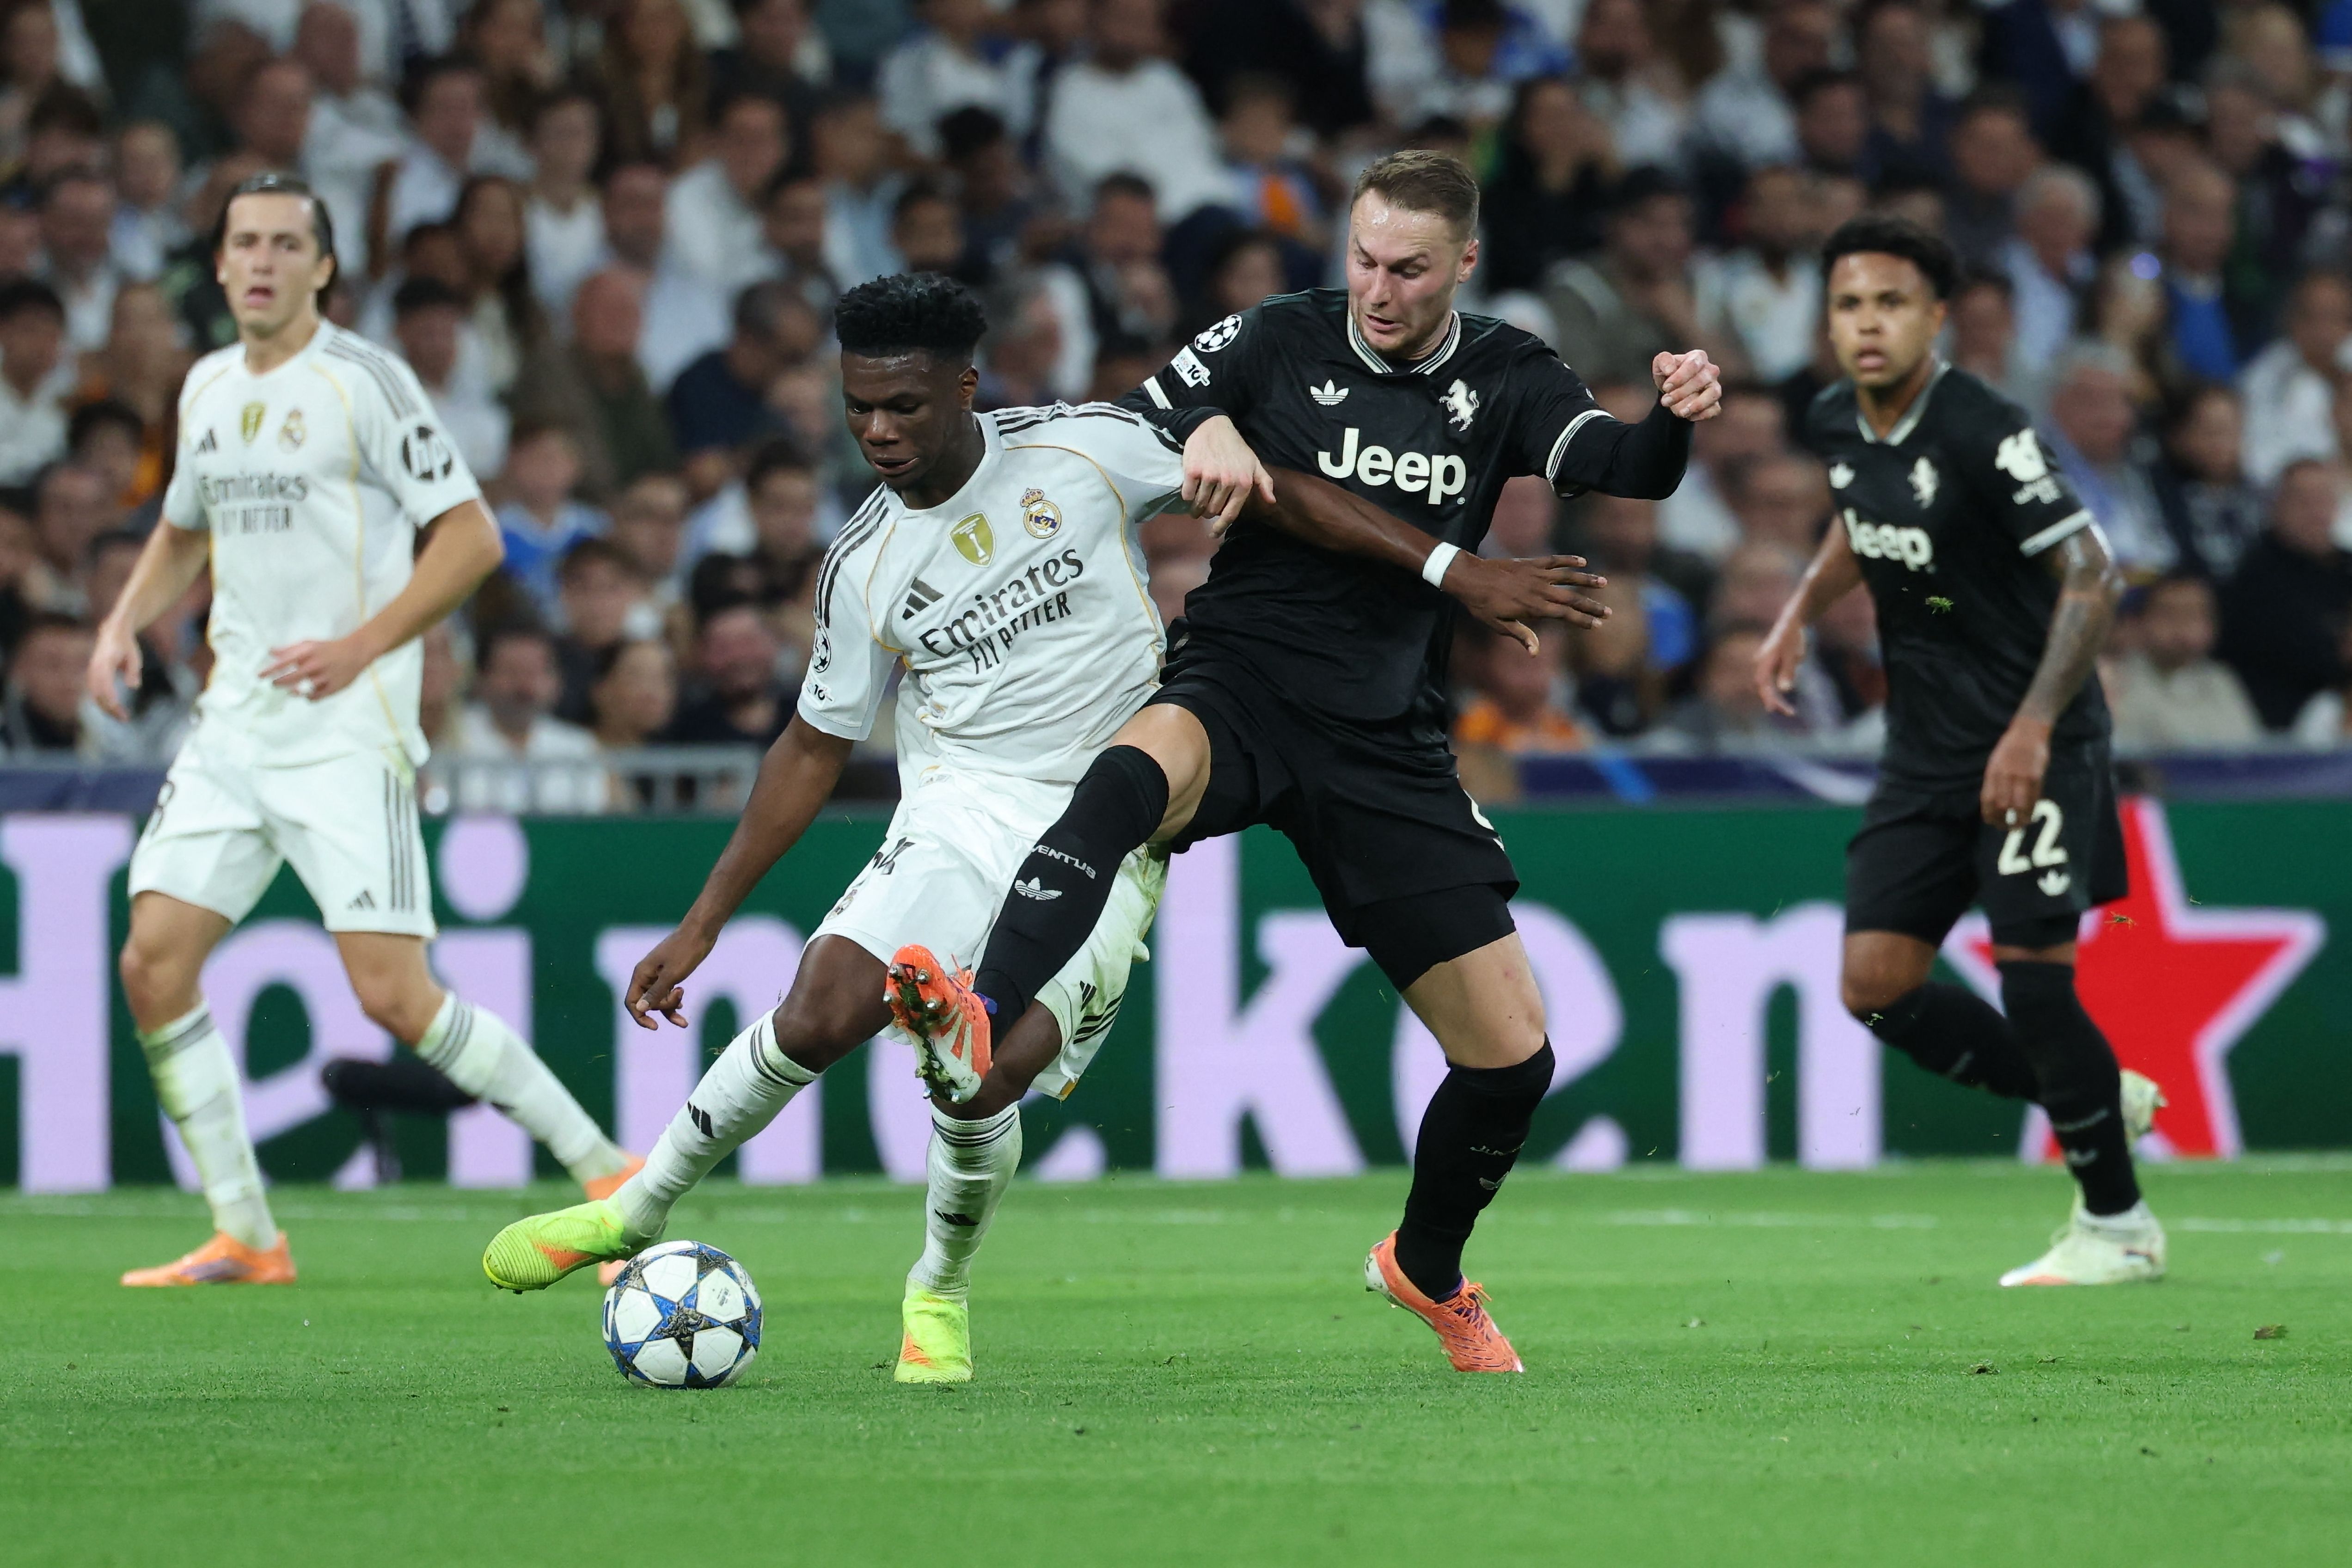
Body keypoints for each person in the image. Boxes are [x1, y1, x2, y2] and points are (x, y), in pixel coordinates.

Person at [890, 149, 1721, 1373]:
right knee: (1130, 778)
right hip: (1245, 677)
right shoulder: (1274, 337)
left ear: (1464, 266)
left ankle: (1426, 1271)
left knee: (1513, 1057)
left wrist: (1676, 418)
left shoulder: (1507, 373)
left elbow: (1628, 470)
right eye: (1365, 260)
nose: (1379, 290)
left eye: (1410, 269)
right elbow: (1150, 417)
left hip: (1385, 737)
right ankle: (982, 1012)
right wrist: (1216, 422)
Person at [481, 275, 1200, 1388]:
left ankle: (939, 1288)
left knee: (982, 1079)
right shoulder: (863, 563)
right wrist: (703, 922)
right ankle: (634, 1208)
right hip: (962, 808)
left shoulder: (1085, 452)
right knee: (818, 1009)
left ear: (966, 387)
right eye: (859, 405)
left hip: (1114, 817)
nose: (876, 430)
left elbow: (1251, 482)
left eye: (904, 406)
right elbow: (812, 746)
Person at [86, 174, 637, 1289]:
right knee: (153, 963)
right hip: (234, 725)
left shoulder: (365, 383)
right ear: (223, 259)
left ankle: (604, 1168)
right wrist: (118, 624)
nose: (261, 261)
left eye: (287, 244)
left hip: (347, 729)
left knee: (392, 993)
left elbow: (473, 538)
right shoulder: (202, 388)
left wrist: (364, 643)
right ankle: (247, 1232)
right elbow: (184, 532)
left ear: (323, 267)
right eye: (244, 242)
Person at [1754, 214, 2165, 1290]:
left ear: (1936, 318)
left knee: (2035, 983)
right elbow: (1860, 514)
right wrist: (1801, 604)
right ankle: (2086, 1088)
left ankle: (2118, 1225)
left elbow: (2093, 572)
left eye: (1891, 302)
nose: (1868, 323)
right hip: (1925, 750)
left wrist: (2033, 728)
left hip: (2037, 734)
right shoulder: (1837, 416)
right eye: (1849, 304)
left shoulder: (1985, 425)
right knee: (1875, 984)